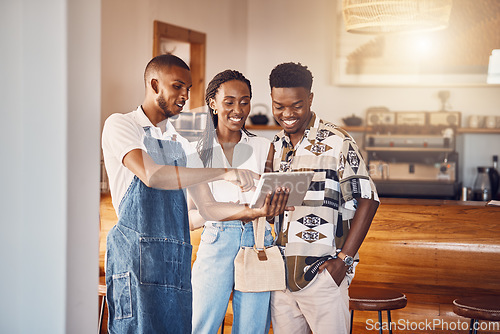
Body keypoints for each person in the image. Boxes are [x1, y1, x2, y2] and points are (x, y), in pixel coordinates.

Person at [101, 54, 288, 333]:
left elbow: (209, 209)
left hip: (174, 256)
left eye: (188, 89)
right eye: (177, 86)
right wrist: (225, 173)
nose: (185, 96)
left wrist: (257, 211)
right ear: (154, 85)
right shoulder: (122, 125)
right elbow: (152, 175)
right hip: (136, 258)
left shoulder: (180, 140)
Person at [267, 62, 380, 334]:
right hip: (280, 278)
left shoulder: (338, 141)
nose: (287, 114)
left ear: (310, 99)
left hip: (322, 274)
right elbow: (273, 213)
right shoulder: (274, 146)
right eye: (278, 106)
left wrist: (344, 261)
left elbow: (368, 199)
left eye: (296, 105)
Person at [190, 70, 285, 334]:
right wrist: (225, 212)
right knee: (201, 325)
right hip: (216, 240)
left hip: (257, 241)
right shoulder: (196, 153)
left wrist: (277, 203)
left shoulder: (265, 147)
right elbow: (187, 218)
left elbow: (273, 202)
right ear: (213, 103)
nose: (238, 109)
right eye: (229, 101)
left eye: (245, 101)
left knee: (252, 328)